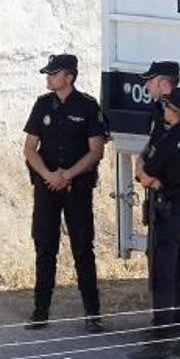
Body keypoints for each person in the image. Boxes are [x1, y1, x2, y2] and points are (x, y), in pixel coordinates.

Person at [22, 53, 108, 332]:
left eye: (53, 73)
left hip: (77, 188)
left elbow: (96, 151)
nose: (48, 77)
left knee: (83, 248)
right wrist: (48, 176)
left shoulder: (87, 106)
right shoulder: (42, 105)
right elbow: (29, 149)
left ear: (68, 77)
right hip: (47, 187)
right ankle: (40, 311)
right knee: (45, 247)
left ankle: (92, 313)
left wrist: (67, 175)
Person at [129, 87, 180, 359]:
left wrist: (141, 164)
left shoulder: (169, 140)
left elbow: (145, 176)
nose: (163, 110)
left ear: (173, 111)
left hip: (171, 215)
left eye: (166, 107)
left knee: (164, 278)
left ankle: (160, 345)